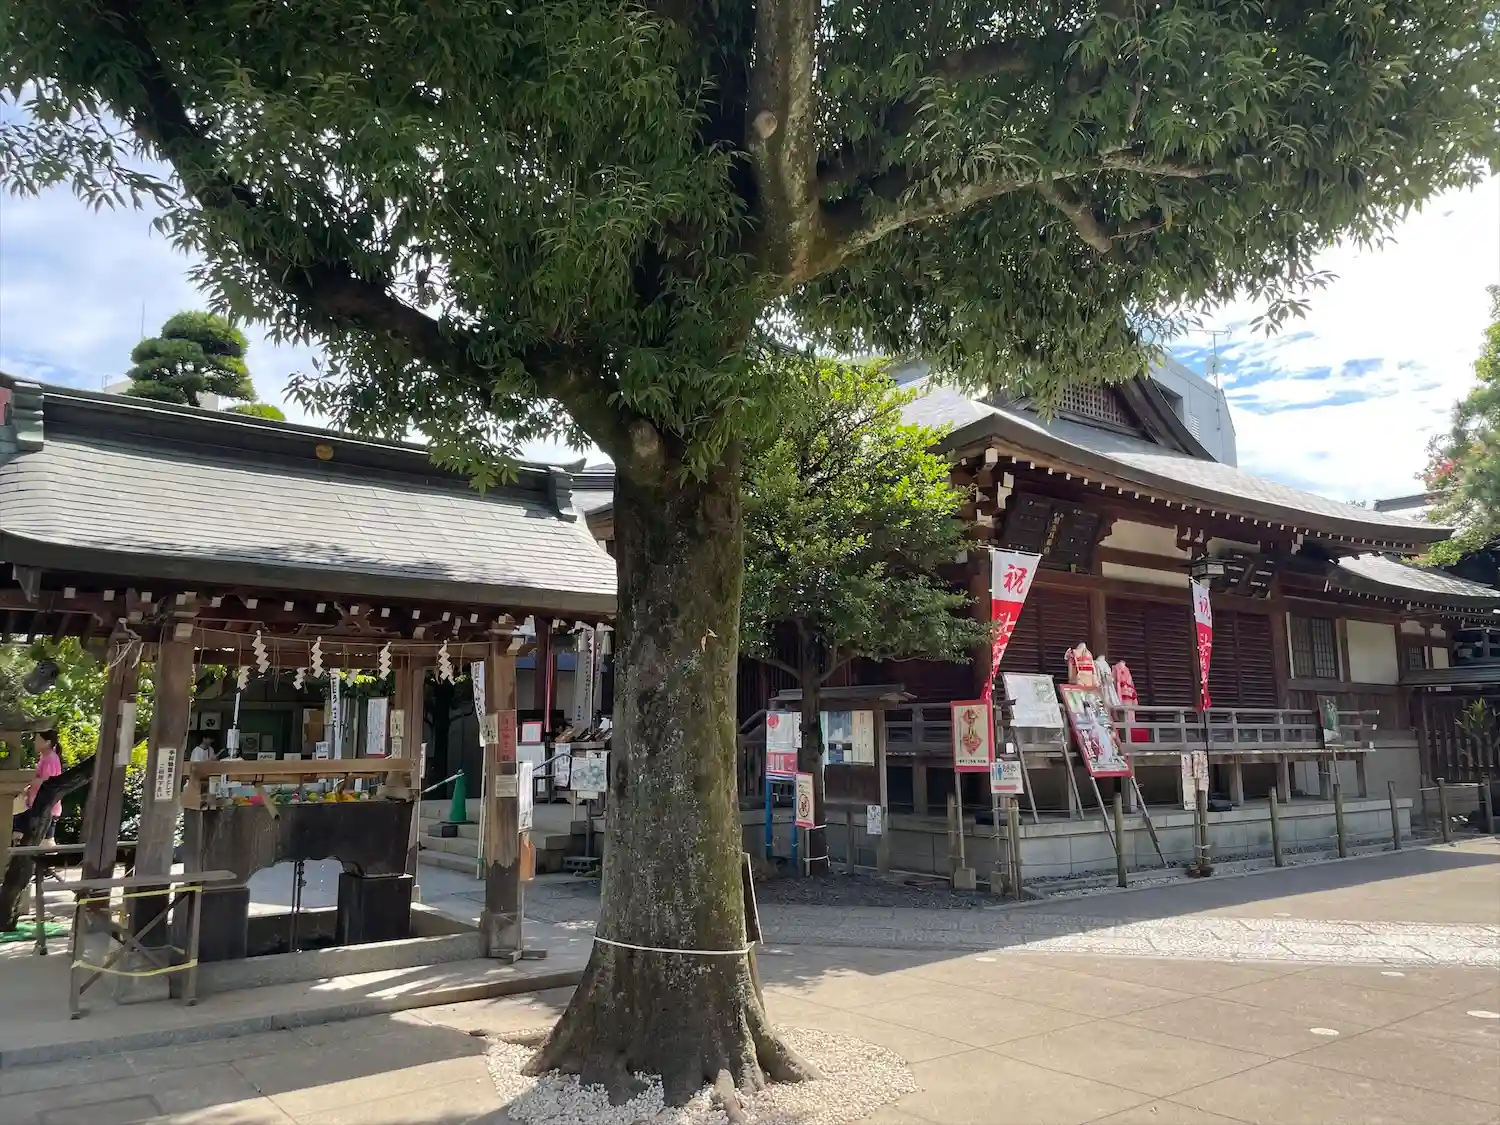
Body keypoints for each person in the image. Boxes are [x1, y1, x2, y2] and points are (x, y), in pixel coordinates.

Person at [21, 729, 64, 844]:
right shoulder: (46, 757)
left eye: (38, 739)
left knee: (44, 844)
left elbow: (46, 781)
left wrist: (28, 781)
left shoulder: (50, 758)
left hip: (45, 808)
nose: (35, 742)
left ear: (47, 742)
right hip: (40, 806)